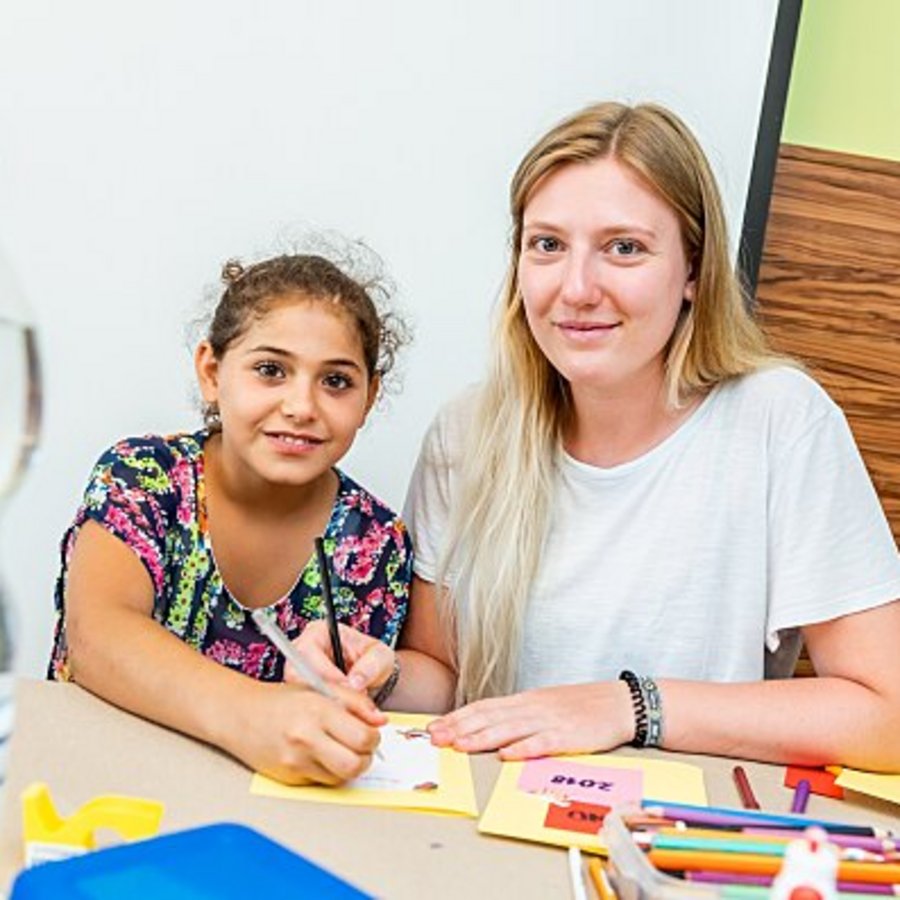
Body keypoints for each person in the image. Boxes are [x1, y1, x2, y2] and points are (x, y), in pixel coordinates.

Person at [298, 101, 900, 770]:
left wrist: (629, 706)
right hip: (491, 824)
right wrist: (375, 677)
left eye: (625, 248)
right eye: (548, 245)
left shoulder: (780, 421)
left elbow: (887, 714)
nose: (577, 289)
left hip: (674, 839)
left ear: (694, 272)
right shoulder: (465, 433)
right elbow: (443, 676)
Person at [49, 248, 413, 785]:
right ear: (212, 373)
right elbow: (96, 633)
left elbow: (392, 695)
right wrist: (254, 716)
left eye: (335, 381)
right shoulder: (143, 478)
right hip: (98, 782)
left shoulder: (374, 541)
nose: (301, 405)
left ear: (370, 396)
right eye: (271, 370)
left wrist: (376, 677)